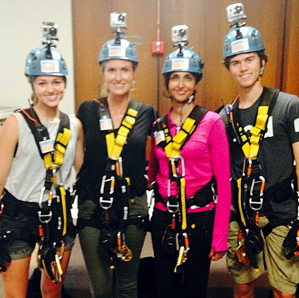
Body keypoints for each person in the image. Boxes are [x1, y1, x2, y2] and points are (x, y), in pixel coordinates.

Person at [220, 4, 299, 298]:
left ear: (262, 62)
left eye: (250, 59)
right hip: (240, 216)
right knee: (242, 287)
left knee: (283, 290)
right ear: (229, 67)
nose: (244, 68)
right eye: (236, 62)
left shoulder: (288, 106)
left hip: (281, 212)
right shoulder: (224, 117)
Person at [147, 27, 232, 298]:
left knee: (195, 289)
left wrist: (220, 235)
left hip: (200, 220)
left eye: (187, 77)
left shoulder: (212, 122)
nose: (180, 84)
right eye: (174, 78)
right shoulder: (158, 126)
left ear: (196, 82)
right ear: (166, 83)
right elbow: (153, 171)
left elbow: (224, 182)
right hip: (163, 219)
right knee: (165, 289)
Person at [0, 26, 84, 298]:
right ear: (33, 84)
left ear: (65, 83)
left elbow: (79, 169)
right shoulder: (16, 123)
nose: (51, 89)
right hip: (18, 215)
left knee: (52, 290)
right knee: (15, 294)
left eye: (57, 81)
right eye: (43, 82)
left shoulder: (74, 125)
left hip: (58, 213)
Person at [75, 17, 156, 298]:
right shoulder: (87, 110)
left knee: (127, 284)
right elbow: (77, 156)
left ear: (134, 73)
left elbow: (154, 156)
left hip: (132, 204)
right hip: (91, 203)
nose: (118, 76)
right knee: (101, 285)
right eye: (112, 70)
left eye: (125, 69)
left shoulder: (146, 112)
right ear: (103, 72)